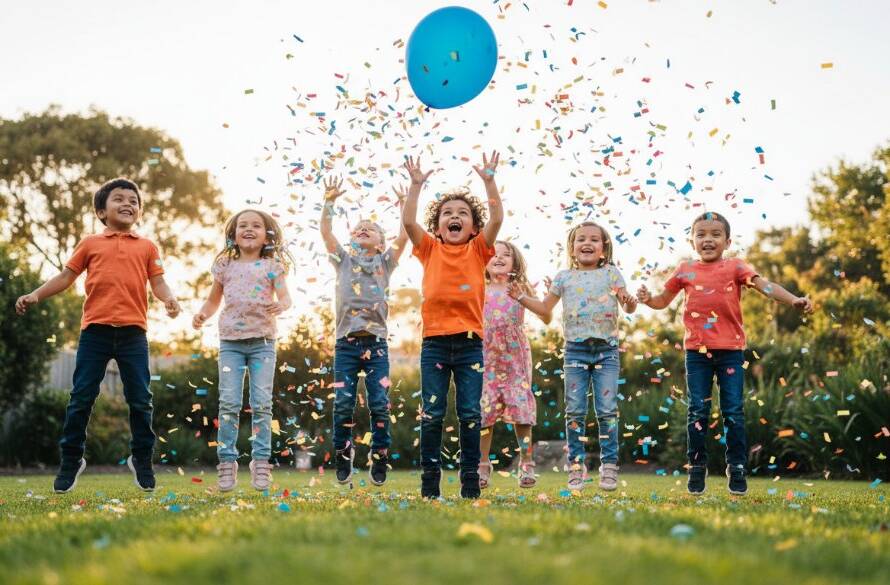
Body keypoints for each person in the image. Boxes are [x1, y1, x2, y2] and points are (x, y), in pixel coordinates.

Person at [16, 178, 181, 493]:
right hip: (95, 332)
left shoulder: (147, 246)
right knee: (80, 398)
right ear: (102, 211)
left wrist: (169, 299)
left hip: (133, 334)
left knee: (141, 400)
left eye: (133, 200)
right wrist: (35, 295)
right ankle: (71, 459)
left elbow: (158, 282)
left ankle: (142, 458)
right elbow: (66, 276)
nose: (127, 204)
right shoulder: (90, 243)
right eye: (119, 199)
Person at [636, 211, 813, 495]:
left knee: (733, 411)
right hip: (697, 353)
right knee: (698, 410)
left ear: (727, 241)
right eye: (701, 234)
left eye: (715, 234)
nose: (708, 239)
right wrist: (647, 300)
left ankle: (737, 467)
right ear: (692, 240)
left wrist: (793, 299)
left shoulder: (735, 267)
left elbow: (765, 286)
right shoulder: (684, 270)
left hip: (730, 352)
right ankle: (696, 467)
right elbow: (662, 301)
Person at [401, 151, 503, 499]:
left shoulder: (479, 250)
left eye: (463, 213)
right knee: (431, 412)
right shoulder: (429, 248)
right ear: (438, 225)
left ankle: (470, 483)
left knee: (470, 412)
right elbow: (409, 224)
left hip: (471, 343)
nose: (455, 217)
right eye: (448, 213)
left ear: (474, 226)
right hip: (435, 344)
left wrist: (489, 182)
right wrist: (416, 187)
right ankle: (430, 484)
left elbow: (498, 219)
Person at [516, 221, 637, 491]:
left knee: (606, 411)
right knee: (575, 411)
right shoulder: (563, 277)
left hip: (606, 350)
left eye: (594, 239)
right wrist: (523, 298)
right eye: (581, 239)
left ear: (603, 249)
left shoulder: (611, 274)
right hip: (575, 350)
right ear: (572, 248)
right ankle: (575, 467)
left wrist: (631, 301)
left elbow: (627, 306)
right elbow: (545, 306)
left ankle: (609, 466)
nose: (587, 243)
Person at [193, 209, 293, 491]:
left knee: (261, 404)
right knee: (229, 403)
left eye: (256, 226)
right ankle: (227, 462)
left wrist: (282, 304)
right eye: (243, 226)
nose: (249, 229)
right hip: (230, 345)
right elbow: (213, 301)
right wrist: (202, 314)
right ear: (233, 235)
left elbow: (285, 296)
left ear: (266, 235)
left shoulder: (272, 265)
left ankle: (261, 462)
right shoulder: (225, 265)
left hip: (263, 343)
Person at [320, 177, 409, 486]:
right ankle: (344, 455)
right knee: (343, 403)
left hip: (378, 346)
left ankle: (380, 456)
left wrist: (403, 207)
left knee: (379, 402)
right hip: (345, 345)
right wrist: (329, 202)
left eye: (370, 228)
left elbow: (405, 236)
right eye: (358, 228)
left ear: (380, 243)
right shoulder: (342, 261)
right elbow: (326, 233)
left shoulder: (386, 262)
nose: (362, 229)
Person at [479, 240, 550, 489]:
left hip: (514, 357)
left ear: (515, 262)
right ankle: (482, 464)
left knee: (521, 410)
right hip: (485, 355)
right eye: (493, 254)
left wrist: (534, 296)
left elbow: (546, 316)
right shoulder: (479, 287)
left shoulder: (519, 286)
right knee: (483, 412)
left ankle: (526, 463)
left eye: (505, 255)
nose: (498, 258)